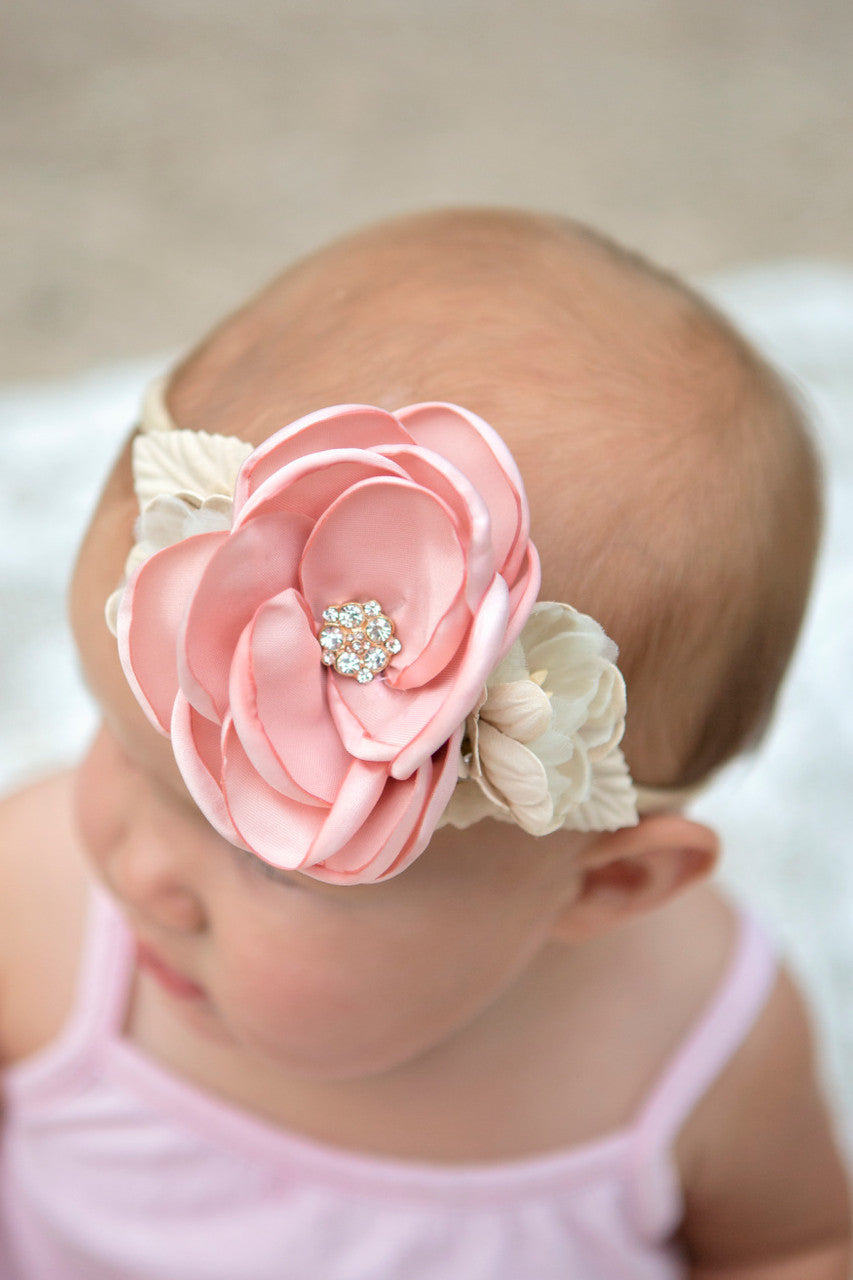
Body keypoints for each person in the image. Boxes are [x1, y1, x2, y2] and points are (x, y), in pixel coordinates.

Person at [0, 208, 849, 1279]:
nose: (140, 868)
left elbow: (799, 1245)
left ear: (609, 885)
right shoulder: (34, 903)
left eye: (273, 864)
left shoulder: (691, 1048)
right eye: (123, 741)